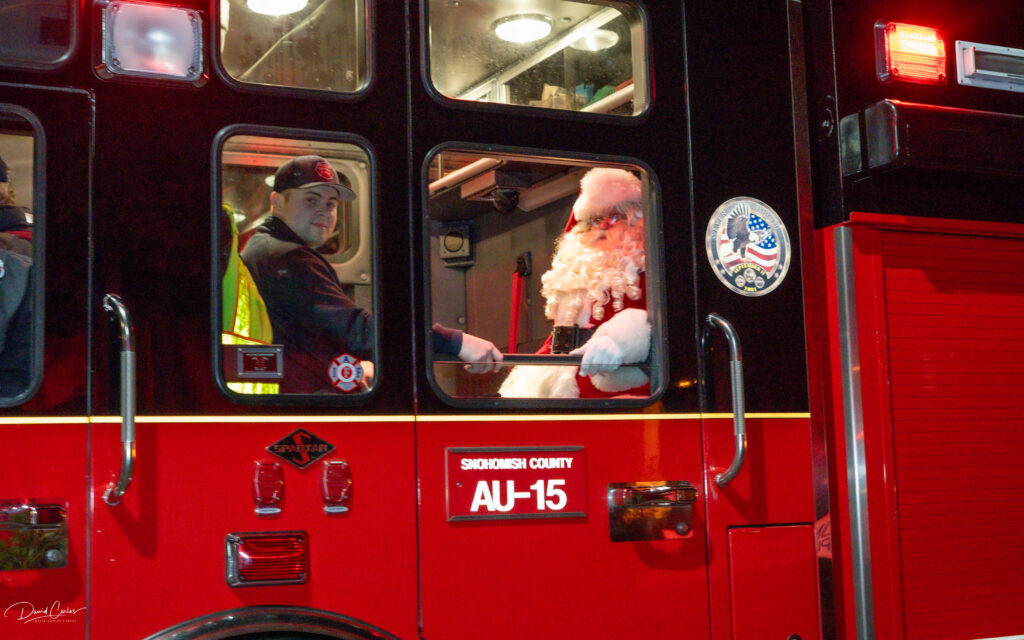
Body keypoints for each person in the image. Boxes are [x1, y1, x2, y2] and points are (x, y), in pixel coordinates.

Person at [242, 155, 501, 393]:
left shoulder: (265, 248)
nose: (324, 211)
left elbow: (310, 341)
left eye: (331, 203)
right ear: (277, 202)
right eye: (311, 200)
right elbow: (358, 332)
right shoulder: (285, 257)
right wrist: (455, 342)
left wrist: (355, 366)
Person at [499, 167, 650, 398]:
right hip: (562, 377)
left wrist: (622, 341)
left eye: (614, 216)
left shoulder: (644, 269)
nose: (602, 226)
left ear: (635, 220)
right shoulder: (579, 266)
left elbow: (656, 329)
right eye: (594, 220)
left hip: (609, 387)